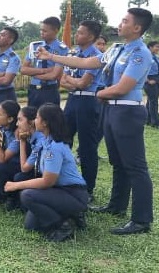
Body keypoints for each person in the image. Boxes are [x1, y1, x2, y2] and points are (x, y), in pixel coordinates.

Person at [36, 8, 154, 235]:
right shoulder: (118, 49)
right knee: (117, 162)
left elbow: (123, 88)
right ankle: (117, 205)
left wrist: (97, 93)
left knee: (135, 166)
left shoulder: (140, 53)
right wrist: (52, 57)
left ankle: (141, 219)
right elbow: (89, 62)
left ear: (137, 28)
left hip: (127, 113)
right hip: (111, 111)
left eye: (125, 20)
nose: (120, 24)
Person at [4, 103, 89, 242]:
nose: (34, 121)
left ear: (45, 123)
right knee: (30, 225)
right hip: (59, 191)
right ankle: (71, 216)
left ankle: (64, 226)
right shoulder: (46, 142)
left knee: (27, 195)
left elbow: (47, 181)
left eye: (37, 117)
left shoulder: (54, 148)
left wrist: (16, 185)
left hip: (73, 194)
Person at [60, 20, 103, 203]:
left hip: (88, 101)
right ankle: (64, 180)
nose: (76, 35)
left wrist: (72, 82)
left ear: (91, 36)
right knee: (63, 140)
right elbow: (62, 80)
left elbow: (82, 83)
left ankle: (88, 188)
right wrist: (72, 82)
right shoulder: (73, 54)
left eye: (81, 33)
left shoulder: (96, 56)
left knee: (87, 147)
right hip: (72, 100)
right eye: (77, 32)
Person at [20, 17, 69, 108]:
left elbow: (54, 75)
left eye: (45, 31)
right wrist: (45, 70)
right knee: (32, 118)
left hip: (50, 90)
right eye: (41, 30)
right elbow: (23, 70)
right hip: (34, 89)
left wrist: (32, 73)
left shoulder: (62, 49)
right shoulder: (35, 47)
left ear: (55, 31)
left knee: (50, 119)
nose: (41, 33)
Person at [144, 41, 159, 129]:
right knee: (154, 102)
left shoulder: (155, 56)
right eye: (156, 46)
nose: (158, 48)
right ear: (150, 47)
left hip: (156, 78)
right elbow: (142, 70)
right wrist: (147, 81)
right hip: (150, 79)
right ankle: (156, 123)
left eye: (158, 47)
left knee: (150, 101)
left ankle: (148, 120)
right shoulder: (146, 57)